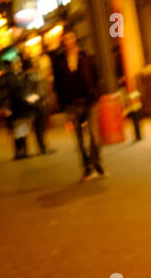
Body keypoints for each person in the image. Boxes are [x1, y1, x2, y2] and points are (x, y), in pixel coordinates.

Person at [50, 32, 104, 181]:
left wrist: (96, 92)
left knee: (94, 136)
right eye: (65, 39)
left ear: (75, 40)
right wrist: (62, 105)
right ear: (63, 42)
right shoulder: (59, 61)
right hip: (72, 104)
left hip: (90, 101)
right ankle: (87, 167)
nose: (68, 41)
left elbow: (96, 76)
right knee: (79, 140)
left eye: (71, 38)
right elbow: (58, 85)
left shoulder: (85, 56)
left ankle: (96, 162)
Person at [0, 58, 31, 160]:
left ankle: (19, 152)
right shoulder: (14, 77)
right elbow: (19, 93)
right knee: (21, 131)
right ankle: (23, 151)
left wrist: (4, 107)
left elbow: (0, 95)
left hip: (10, 108)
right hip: (17, 108)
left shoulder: (1, 79)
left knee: (16, 131)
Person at [20, 56, 50, 155]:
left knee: (36, 129)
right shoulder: (35, 77)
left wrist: (29, 101)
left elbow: (24, 95)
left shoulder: (22, 78)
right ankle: (42, 147)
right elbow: (41, 93)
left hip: (29, 107)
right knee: (40, 129)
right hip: (39, 106)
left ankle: (40, 147)